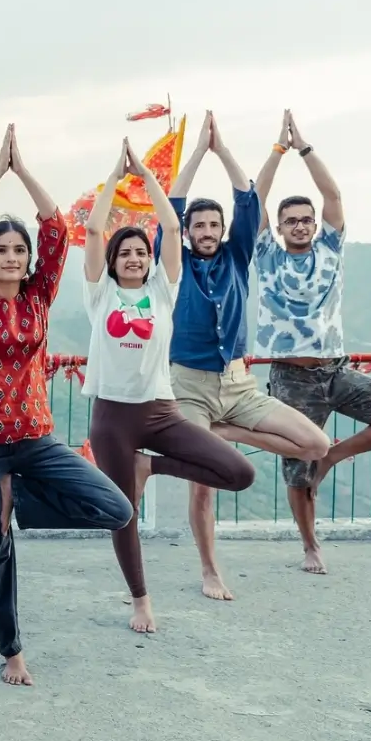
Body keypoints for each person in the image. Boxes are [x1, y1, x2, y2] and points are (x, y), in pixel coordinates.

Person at [0, 124, 133, 686]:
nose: (10, 256)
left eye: (18, 250)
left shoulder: (39, 297)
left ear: (29, 261)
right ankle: (12, 651)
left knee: (117, 509)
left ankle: (23, 500)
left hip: (35, 441)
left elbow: (57, 229)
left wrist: (21, 170)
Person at [83, 139, 256, 633]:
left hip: (161, 411)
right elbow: (96, 228)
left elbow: (173, 226)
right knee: (124, 513)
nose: (134, 258)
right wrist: (118, 175)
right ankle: (140, 599)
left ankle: (151, 465)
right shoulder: (101, 294)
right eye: (126, 253)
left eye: (141, 252)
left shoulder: (164, 288)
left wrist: (149, 176)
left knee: (237, 471)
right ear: (113, 262)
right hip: (113, 417)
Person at [164, 110, 331, 601]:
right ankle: (210, 571)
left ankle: (222, 434)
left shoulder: (239, 255)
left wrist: (225, 150)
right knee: (205, 481)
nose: (209, 230)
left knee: (316, 446)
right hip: (189, 387)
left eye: (215, 223)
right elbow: (171, 204)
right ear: (189, 230)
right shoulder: (174, 264)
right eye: (200, 224)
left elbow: (249, 200)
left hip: (239, 388)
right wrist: (198, 152)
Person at [253, 110, 371, 574]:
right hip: (291, 377)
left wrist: (304, 148)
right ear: (282, 226)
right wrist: (276, 151)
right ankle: (310, 545)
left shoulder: (330, 248)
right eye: (292, 220)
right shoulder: (266, 253)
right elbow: (256, 199)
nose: (301, 225)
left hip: (335, 369)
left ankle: (331, 454)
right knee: (297, 469)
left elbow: (333, 193)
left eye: (306, 219)